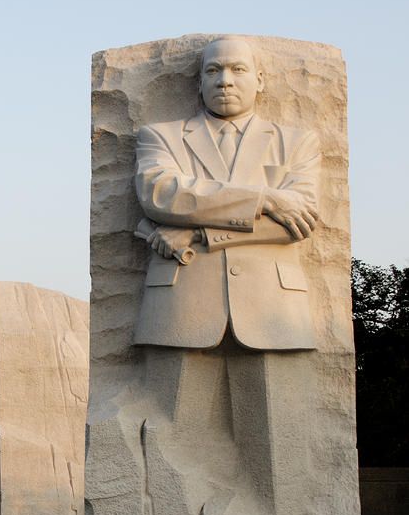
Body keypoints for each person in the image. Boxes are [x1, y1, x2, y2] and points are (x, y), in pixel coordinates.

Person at [133, 36, 320, 350]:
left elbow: (297, 223)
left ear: (259, 80)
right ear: (200, 81)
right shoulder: (161, 137)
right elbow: (162, 195)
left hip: (274, 311)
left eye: (238, 69)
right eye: (213, 70)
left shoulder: (298, 142)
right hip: (180, 308)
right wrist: (266, 198)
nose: (224, 81)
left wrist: (197, 234)